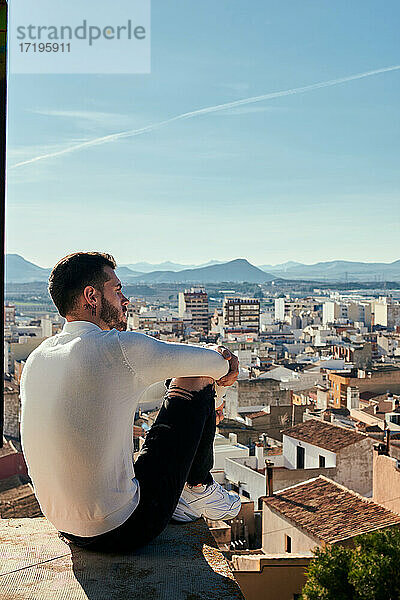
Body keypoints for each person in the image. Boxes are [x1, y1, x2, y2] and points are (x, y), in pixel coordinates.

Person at [20, 252, 241, 553]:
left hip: (64, 525)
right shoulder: (118, 348)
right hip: (123, 528)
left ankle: (189, 491)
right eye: (118, 289)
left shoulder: (36, 358)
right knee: (194, 377)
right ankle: (197, 487)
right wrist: (222, 368)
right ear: (91, 296)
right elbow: (216, 366)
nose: (125, 299)